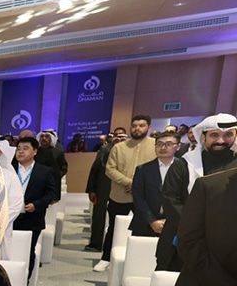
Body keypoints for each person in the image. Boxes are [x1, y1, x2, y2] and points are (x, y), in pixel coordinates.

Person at [159, 113, 237, 271]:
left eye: (228, 135)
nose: (221, 140)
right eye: (214, 135)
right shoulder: (183, 165)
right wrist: (197, 228)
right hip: (182, 239)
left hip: (228, 245)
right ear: (203, 137)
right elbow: (170, 200)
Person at [95, 115, 156, 272]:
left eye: (141, 125)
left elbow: (157, 170)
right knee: (113, 228)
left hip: (144, 197)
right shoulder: (119, 147)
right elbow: (110, 169)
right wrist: (129, 182)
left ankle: (140, 260)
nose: (137, 128)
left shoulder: (156, 146)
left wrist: (138, 185)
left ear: (148, 128)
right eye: (134, 125)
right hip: (120, 195)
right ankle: (106, 258)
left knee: (144, 229)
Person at [11, 137, 59, 281]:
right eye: (18, 149)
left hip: (32, 219)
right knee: (9, 251)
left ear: (35, 151)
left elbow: (52, 193)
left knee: (27, 251)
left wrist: (37, 205)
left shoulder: (44, 171)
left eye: (25, 148)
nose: (20, 152)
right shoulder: (9, 169)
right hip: (10, 218)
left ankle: (24, 283)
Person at [129, 133, 179, 244]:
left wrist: (170, 220)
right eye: (159, 144)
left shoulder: (185, 169)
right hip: (145, 223)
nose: (163, 147)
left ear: (178, 146)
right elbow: (138, 197)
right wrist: (152, 221)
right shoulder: (143, 169)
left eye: (168, 144)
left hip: (175, 224)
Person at [84, 133, 119, 252]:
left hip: (122, 190)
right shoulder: (104, 151)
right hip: (102, 188)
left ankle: (113, 246)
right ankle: (95, 243)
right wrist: (91, 190)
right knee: (99, 216)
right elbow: (94, 171)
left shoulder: (130, 153)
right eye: (116, 137)